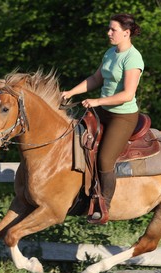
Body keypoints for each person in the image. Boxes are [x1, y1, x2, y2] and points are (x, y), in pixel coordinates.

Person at [61, 13, 144, 224]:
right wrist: (71, 93)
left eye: (113, 30)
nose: (108, 33)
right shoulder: (110, 53)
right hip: (103, 111)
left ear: (126, 33)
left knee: (105, 159)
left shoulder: (133, 58)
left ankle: (103, 205)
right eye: (109, 29)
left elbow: (128, 94)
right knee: (73, 140)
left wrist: (97, 102)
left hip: (122, 116)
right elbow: (96, 78)